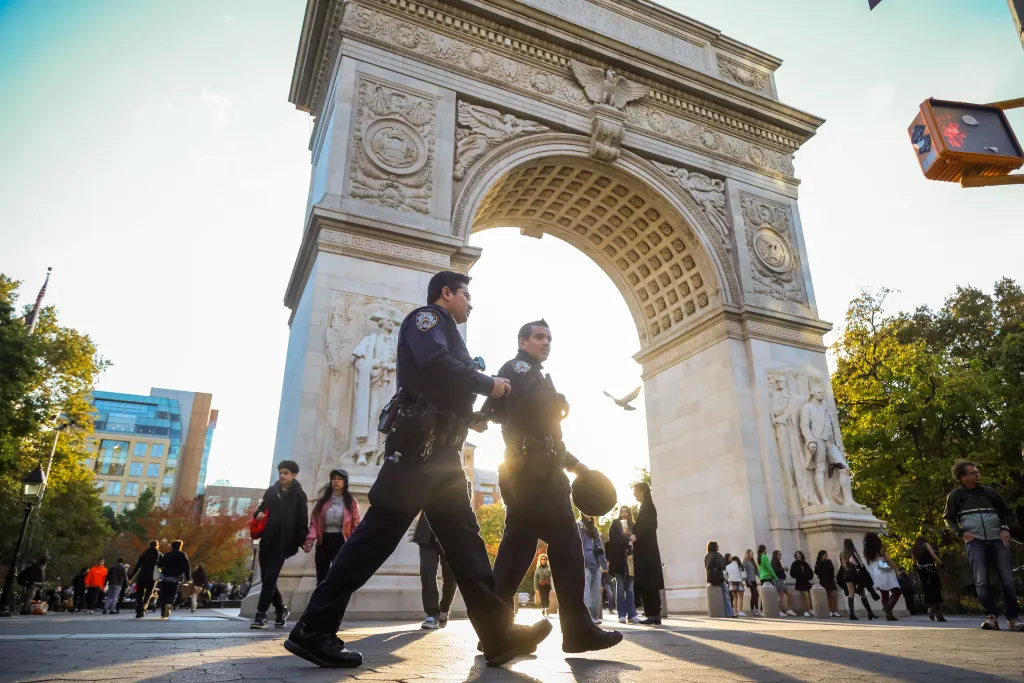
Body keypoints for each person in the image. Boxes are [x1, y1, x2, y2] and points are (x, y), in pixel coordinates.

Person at [284, 272, 553, 669]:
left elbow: (443, 385)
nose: (471, 303)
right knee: (374, 540)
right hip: (419, 456)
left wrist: (475, 415)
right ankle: (313, 628)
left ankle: (497, 635)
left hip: (442, 458)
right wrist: (487, 384)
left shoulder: (447, 331)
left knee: (468, 548)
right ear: (446, 294)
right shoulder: (426, 319)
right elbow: (434, 363)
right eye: (466, 295)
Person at [485, 318, 621, 651]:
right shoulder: (518, 367)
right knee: (566, 541)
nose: (546, 342)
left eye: (549, 338)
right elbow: (534, 407)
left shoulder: (536, 374)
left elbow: (550, 437)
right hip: (534, 475)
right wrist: (557, 400)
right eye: (538, 337)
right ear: (522, 342)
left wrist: (576, 466)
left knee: (516, 549)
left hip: (533, 469)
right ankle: (577, 630)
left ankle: (492, 629)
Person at [943, 459, 1021, 631]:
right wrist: (961, 533)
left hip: (998, 540)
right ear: (962, 477)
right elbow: (949, 518)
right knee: (981, 581)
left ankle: (1013, 619)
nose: (977, 474)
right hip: (975, 542)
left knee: (1007, 581)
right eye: (973, 472)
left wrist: (1005, 528)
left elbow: (1008, 513)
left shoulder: (989, 492)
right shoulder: (956, 496)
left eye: (977, 471)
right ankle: (991, 618)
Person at [251, 459, 309, 630]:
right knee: (267, 579)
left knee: (269, 578)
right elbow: (261, 508)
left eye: (286, 473)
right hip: (267, 539)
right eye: (281, 473)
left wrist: (300, 541)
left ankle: (261, 615)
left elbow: (302, 520)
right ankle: (281, 609)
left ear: (293, 475)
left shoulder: (299, 494)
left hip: (284, 543)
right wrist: (258, 514)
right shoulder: (271, 491)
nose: (282, 476)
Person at [304, 469, 360, 584]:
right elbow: (314, 522)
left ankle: (333, 600)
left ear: (345, 482)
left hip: (341, 541)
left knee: (337, 574)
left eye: (339, 479)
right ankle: (319, 600)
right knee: (321, 575)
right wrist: (310, 539)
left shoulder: (351, 502)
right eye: (334, 479)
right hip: (324, 540)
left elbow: (356, 524)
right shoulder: (323, 501)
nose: (336, 481)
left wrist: (353, 543)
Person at [412, 513, 456, 629]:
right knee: (427, 572)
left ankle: (444, 609)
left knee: (451, 575)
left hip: (452, 532)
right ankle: (432, 613)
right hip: (427, 532)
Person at [632, 482, 663, 625]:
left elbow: (650, 526)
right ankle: (652, 613)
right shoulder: (644, 508)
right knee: (647, 583)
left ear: (642, 491)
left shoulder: (649, 508)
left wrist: (636, 535)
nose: (634, 494)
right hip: (644, 551)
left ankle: (653, 614)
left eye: (635, 491)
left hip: (648, 552)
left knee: (649, 582)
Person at [607, 506, 638, 624]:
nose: (624, 513)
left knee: (630, 589)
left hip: (630, 560)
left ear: (629, 513)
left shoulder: (633, 525)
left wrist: (631, 538)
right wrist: (626, 541)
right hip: (619, 561)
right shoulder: (615, 524)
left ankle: (632, 614)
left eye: (626, 512)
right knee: (620, 588)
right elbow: (613, 540)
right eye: (622, 512)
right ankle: (621, 615)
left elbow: (637, 540)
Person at [863, 532, 901, 621]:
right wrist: (895, 568)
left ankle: (889, 615)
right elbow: (888, 559)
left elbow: (869, 562)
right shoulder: (880, 549)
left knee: (884, 593)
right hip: (884, 569)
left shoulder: (867, 551)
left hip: (875, 572)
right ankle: (887, 608)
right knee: (897, 591)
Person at [577, 515, 608, 624]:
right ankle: (587, 617)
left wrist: (604, 565)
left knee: (595, 593)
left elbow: (600, 546)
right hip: (585, 563)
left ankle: (593, 616)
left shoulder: (594, 528)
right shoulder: (578, 526)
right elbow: (576, 546)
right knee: (587, 592)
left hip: (595, 563)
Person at [840, 538, 877, 621]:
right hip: (855, 575)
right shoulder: (853, 553)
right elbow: (860, 564)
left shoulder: (842, 554)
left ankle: (852, 614)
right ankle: (869, 612)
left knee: (851, 593)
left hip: (846, 575)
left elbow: (843, 565)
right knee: (862, 593)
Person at [911, 537, 946, 622]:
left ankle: (937, 614)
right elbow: (933, 555)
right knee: (937, 589)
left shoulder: (914, 548)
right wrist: (942, 565)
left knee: (928, 590)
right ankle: (932, 610)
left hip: (921, 571)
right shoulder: (925, 545)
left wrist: (915, 575)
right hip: (930, 569)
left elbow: (914, 563)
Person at [156, 540, 191, 620]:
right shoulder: (182, 555)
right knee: (172, 593)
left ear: (172, 546)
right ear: (180, 546)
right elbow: (186, 567)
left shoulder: (168, 555)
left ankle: (163, 612)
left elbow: (160, 564)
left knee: (164, 594)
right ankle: (169, 604)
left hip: (165, 577)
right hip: (175, 577)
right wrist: (188, 577)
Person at [130, 541, 162, 618]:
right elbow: (163, 563)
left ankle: (138, 609)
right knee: (148, 593)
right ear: (157, 545)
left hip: (142, 575)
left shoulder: (145, 553)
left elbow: (138, 565)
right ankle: (143, 608)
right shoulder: (158, 554)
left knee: (140, 594)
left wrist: (131, 577)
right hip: (152, 577)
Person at [814, 550, 839, 617]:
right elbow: (816, 572)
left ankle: (835, 611)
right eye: (825, 554)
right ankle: (830, 611)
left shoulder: (829, 561)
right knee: (827, 597)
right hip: (823, 581)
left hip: (830, 580)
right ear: (822, 555)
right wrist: (816, 567)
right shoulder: (818, 563)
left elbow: (832, 569)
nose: (827, 555)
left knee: (833, 596)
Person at [770, 551, 795, 616]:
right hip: (778, 580)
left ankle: (788, 610)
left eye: (780, 554)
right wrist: (783, 568)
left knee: (788, 595)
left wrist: (783, 569)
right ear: (775, 555)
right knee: (781, 595)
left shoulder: (777, 562)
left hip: (780, 580)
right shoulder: (774, 562)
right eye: (779, 554)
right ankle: (780, 610)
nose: (780, 555)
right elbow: (775, 570)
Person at [790, 551, 814, 617]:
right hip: (800, 582)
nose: (798, 556)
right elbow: (792, 573)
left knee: (809, 596)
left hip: (806, 582)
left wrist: (808, 577)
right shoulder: (794, 564)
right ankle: (806, 611)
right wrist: (798, 576)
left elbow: (810, 572)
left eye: (799, 554)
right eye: (796, 554)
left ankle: (810, 609)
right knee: (804, 596)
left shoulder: (805, 563)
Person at [742, 549, 761, 616]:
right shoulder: (745, 562)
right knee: (756, 594)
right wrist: (747, 580)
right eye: (751, 553)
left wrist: (761, 577)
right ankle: (756, 610)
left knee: (754, 595)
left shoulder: (753, 562)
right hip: (749, 580)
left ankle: (753, 610)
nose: (753, 555)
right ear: (748, 554)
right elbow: (743, 572)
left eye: (753, 553)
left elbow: (756, 571)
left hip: (754, 580)